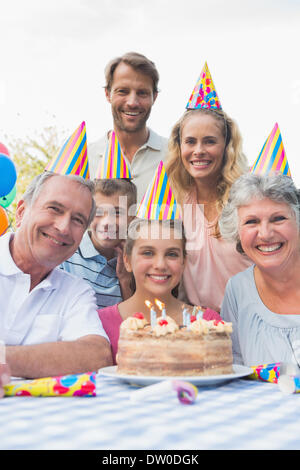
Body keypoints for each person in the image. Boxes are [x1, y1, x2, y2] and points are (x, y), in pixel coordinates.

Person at [0, 172, 113, 396]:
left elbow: (98, 355)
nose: (63, 227)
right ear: (22, 212)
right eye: (54, 208)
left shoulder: (75, 291)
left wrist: (4, 358)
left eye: (78, 220)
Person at [98, 218, 222, 364]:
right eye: (148, 253)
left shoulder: (207, 321)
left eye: (172, 254)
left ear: (184, 263)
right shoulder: (99, 324)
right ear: (127, 260)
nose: (160, 265)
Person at [165, 107, 252, 311]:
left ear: (226, 146)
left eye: (210, 141)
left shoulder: (248, 198)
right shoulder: (174, 203)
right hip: (202, 328)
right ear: (179, 147)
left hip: (252, 320)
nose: (199, 150)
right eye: (190, 141)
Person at [219, 172, 300, 366]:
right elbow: (234, 368)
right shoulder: (237, 289)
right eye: (251, 222)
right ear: (237, 231)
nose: (265, 234)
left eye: (278, 218)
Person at [88, 52, 168, 202]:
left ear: (154, 97)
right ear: (107, 94)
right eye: (123, 91)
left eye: (142, 93)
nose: (132, 102)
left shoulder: (176, 156)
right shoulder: (85, 159)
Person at [61, 178, 137, 309]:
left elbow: (134, 321)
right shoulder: (65, 253)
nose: (107, 222)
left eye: (118, 212)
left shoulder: (135, 262)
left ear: (132, 219)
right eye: (98, 212)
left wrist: (125, 280)